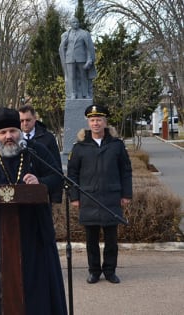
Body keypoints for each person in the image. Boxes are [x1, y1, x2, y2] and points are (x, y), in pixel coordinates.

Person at [0, 107, 67, 315]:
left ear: (20, 131)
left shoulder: (35, 152)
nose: (8, 136)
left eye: (12, 130)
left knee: (35, 287)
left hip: (33, 233)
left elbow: (57, 177)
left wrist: (40, 182)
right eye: (2, 132)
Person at [67, 104, 132, 284]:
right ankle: (94, 271)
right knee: (91, 240)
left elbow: (126, 170)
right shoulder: (80, 147)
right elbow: (72, 174)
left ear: (105, 122)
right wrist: (74, 197)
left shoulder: (117, 145)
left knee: (111, 239)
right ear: (88, 122)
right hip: (88, 198)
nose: (96, 123)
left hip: (111, 197)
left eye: (99, 120)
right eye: (92, 120)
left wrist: (126, 194)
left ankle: (110, 271)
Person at [19, 105, 63, 203]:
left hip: (43, 192)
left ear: (35, 119)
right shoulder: (14, 140)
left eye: (28, 120)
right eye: (21, 121)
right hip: (20, 194)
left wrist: (56, 198)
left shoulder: (47, 138)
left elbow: (56, 169)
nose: (25, 123)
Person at [59, 17, 96, 99]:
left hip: (81, 58)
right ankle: (73, 93)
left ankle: (85, 94)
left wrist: (89, 59)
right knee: (71, 77)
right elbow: (62, 48)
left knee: (84, 77)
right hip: (70, 59)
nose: (76, 24)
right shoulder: (65, 35)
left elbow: (89, 48)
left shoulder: (84, 33)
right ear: (70, 24)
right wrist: (63, 43)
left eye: (77, 22)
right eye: (73, 22)